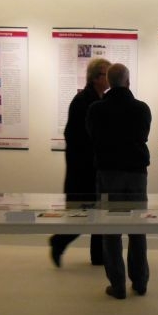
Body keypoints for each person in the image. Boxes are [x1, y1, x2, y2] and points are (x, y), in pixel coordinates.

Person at [86, 63, 152, 299]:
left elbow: (92, 137)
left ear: (109, 82)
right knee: (138, 229)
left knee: (111, 230)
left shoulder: (96, 109)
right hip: (136, 174)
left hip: (108, 174)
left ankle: (118, 285)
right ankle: (140, 282)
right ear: (128, 81)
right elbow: (143, 135)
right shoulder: (141, 109)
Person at [49, 57, 111, 267]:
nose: (108, 78)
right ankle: (59, 241)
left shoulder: (99, 99)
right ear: (95, 78)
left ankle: (98, 255)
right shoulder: (83, 101)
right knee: (83, 213)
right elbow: (75, 135)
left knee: (99, 210)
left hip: (94, 166)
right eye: (105, 74)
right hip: (83, 168)